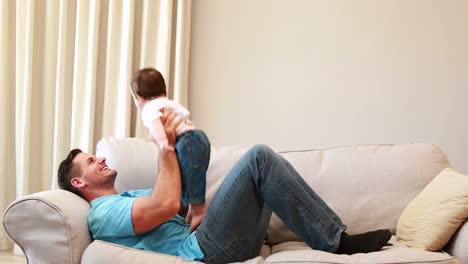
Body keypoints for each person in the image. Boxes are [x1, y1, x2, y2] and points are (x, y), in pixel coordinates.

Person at [57, 110, 392, 264]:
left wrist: (182, 149)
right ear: (79, 182)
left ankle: (333, 237)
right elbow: (164, 205)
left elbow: (174, 206)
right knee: (259, 158)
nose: (100, 159)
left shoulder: (130, 196)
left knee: (249, 165)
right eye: (91, 161)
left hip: (208, 241)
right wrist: (164, 146)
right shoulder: (101, 214)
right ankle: (336, 242)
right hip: (206, 252)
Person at [130, 67, 210, 230]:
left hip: (186, 141)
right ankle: (191, 211)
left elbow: (155, 125)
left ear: (139, 98)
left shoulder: (149, 108)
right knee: (190, 177)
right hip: (199, 137)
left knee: (190, 177)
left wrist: (163, 142)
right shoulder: (169, 103)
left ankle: (199, 211)